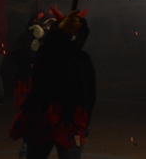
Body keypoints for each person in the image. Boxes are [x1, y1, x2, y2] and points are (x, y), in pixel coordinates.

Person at [10, 8, 96, 159]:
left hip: (70, 124)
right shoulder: (48, 56)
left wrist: (83, 124)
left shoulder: (81, 60)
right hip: (43, 120)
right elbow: (46, 56)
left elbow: (89, 95)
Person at [10, 13, 45, 159]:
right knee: (26, 116)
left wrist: (41, 42)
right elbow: (15, 56)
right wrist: (30, 49)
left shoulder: (49, 39)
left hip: (42, 84)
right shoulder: (25, 37)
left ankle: (30, 148)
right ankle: (26, 147)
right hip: (25, 83)